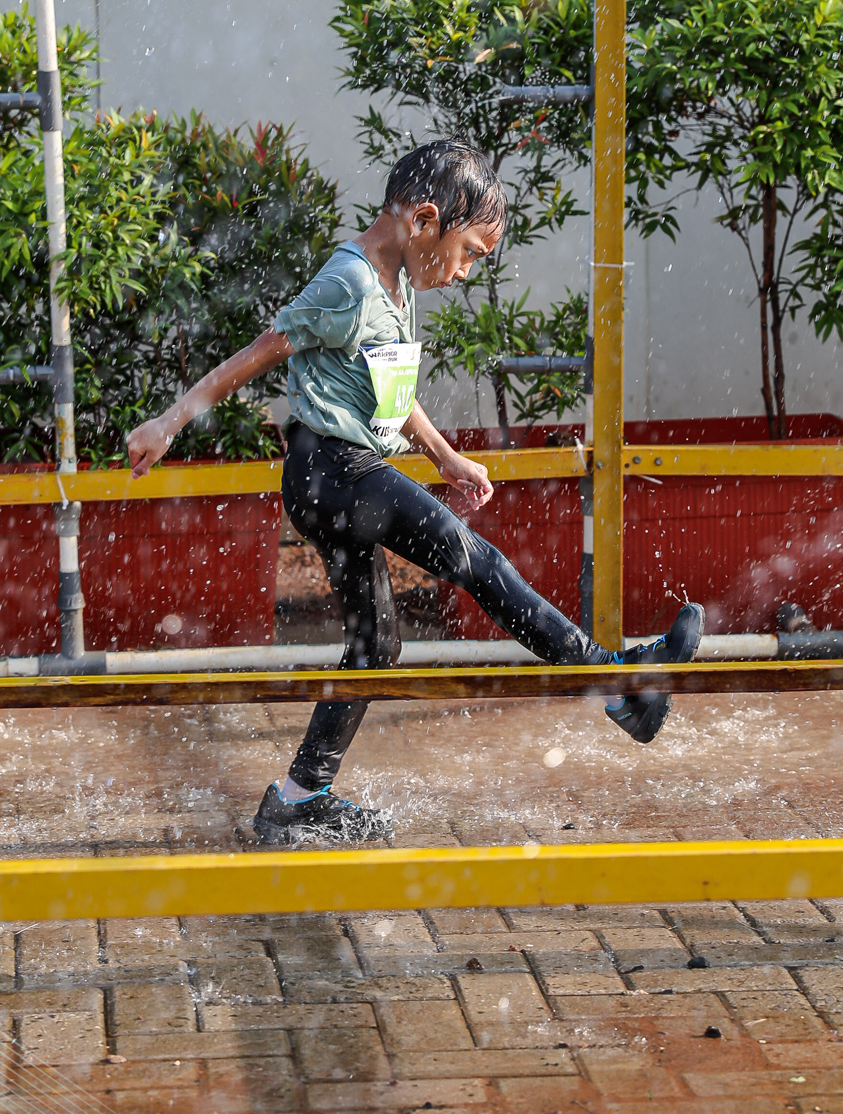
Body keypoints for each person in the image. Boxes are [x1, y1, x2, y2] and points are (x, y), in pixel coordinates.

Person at [126, 139, 703, 847]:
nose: (463, 272)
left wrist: (446, 457)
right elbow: (260, 351)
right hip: (333, 471)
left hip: (334, 476)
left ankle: (297, 799)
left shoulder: (394, 285)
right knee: (476, 561)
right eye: (469, 253)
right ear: (425, 220)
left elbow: (392, 396)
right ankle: (616, 682)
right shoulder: (350, 280)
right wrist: (169, 422)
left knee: (375, 646)